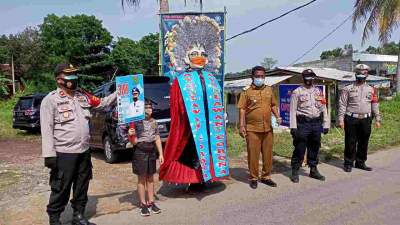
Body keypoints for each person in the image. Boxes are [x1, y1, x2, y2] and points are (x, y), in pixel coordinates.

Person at [41, 63, 117, 225]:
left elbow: (102, 103)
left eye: (75, 74)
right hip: (64, 153)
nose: (74, 78)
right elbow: (46, 129)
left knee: (82, 185)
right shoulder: (51, 100)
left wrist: (120, 92)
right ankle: (54, 219)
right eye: (69, 75)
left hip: (84, 151)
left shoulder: (83, 95)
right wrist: (49, 154)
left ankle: (78, 216)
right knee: (61, 187)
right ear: (59, 79)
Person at [159, 16, 229, 189]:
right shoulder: (181, 81)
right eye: (194, 54)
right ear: (186, 57)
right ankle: (194, 180)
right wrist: (188, 116)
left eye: (203, 54)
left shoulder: (211, 79)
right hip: (191, 127)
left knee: (209, 151)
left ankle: (208, 178)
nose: (200, 57)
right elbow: (177, 106)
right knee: (193, 153)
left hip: (210, 125)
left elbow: (218, 100)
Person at [237, 66, 281, 189]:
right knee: (253, 154)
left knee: (268, 154)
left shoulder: (269, 90)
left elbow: (273, 105)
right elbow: (242, 109)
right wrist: (241, 125)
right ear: (252, 76)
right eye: (257, 76)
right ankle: (253, 177)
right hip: (252, 128)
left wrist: (277, 116)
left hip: (267, 128)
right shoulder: (246, 91)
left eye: (262, 76)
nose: (260, 78)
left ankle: (266, 176)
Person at [338, 64, 381, 172]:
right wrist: (341, 119)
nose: (361, 75)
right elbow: (342, 104)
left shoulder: (372, 89)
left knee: (364, 142)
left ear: (367, 75)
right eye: (359, 73)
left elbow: (375, 104)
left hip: (366, 119)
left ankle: (360, 162)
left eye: (364, 73)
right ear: (355, 74)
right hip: (351, 118)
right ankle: (348, 163)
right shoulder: (348, 88)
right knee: (350, 141)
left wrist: (377, 119)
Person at [289, 69, 330, 183]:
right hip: (303, 124)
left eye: (311, 77)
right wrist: (293, 127)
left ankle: (313, 169)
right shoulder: (297, 92)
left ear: (313, 78)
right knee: (300, 147)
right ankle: (295, 170)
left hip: (316, 123)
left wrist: (326, 124)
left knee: (315, 147)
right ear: (303, 78)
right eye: (307, 77)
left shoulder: (318, 91)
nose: (309, 80)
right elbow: (292, 111)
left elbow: (323, 108)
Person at [128, 100, 164, 217]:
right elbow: (133, 142)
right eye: (146, 108)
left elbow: (157, 137)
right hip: (140, 152)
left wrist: (161, 154)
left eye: (150, 108)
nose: (148, 110)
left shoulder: (154, 122)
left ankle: (151, 202)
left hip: (151, 151)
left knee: (151, 178)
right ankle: (143, 204)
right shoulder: (136, 122)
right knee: (141, 179)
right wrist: (130, 134)